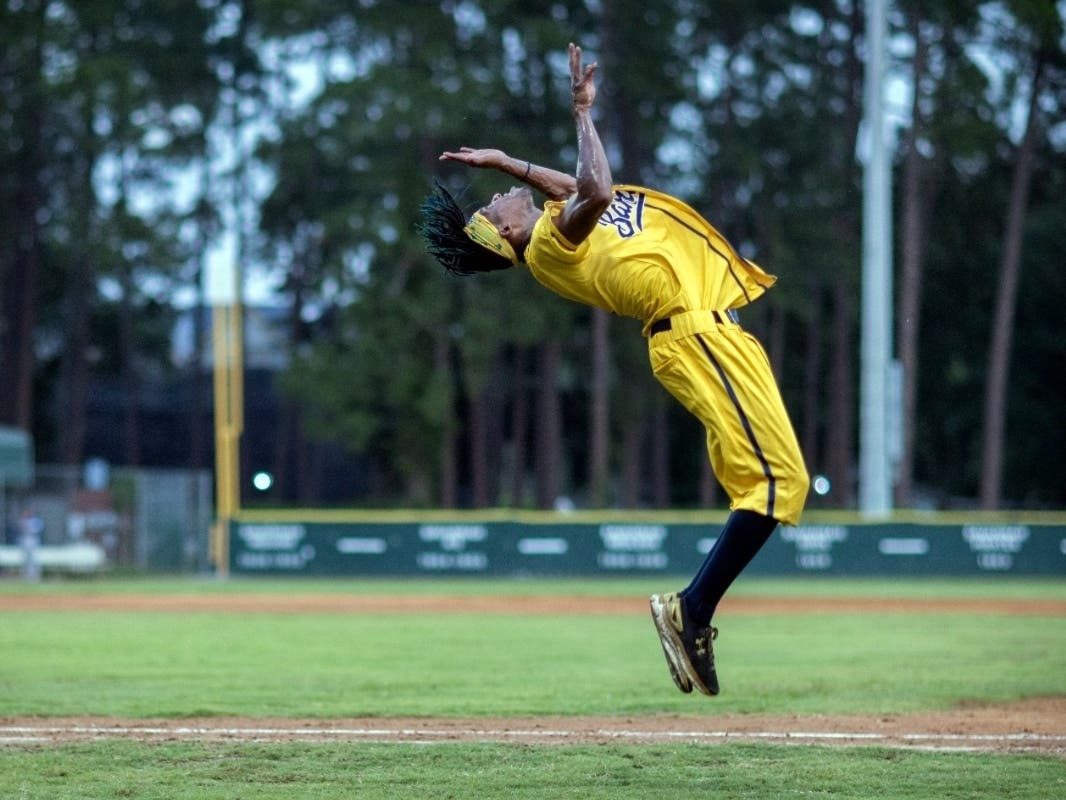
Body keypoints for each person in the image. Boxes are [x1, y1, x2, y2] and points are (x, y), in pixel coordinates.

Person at [419, 43, 809, 696]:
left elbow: (574, 186)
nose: (493, 197)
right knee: (777, 482)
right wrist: (580, 112)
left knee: (783, 480)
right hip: (694, 335)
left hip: (711, 334)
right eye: (491, 209)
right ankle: (692, 610)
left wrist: (510, 161)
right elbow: (594, 186)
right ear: (505, 236)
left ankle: (694, 609)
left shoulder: (551, 222)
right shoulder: (547, 245)